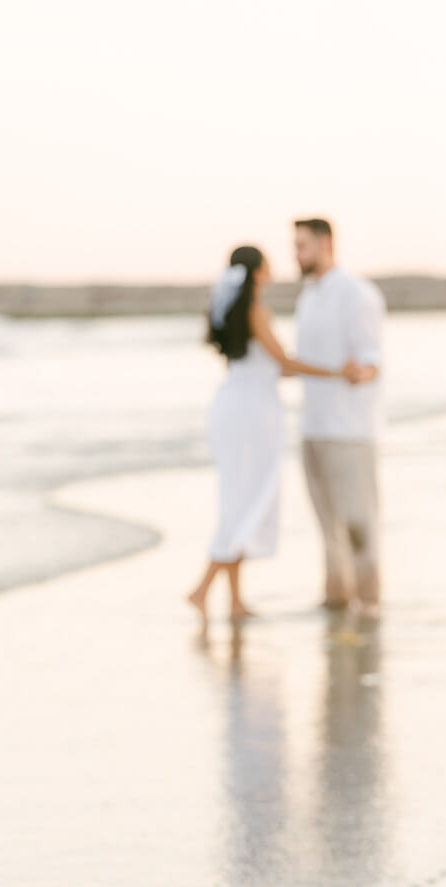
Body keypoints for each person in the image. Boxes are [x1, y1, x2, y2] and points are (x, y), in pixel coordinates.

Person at [187, 244, 360, 629]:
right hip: (251, 414)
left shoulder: (233, 311)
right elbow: (284, 364)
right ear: (258, 271)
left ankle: (233, 600)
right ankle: (201, 590)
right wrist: (338, 372)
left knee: (240, 498)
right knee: (244, 500)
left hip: (237, 408)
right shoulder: (254, 311)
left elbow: (271, 367)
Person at [294, 218, 386, 614]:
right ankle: (336, 597)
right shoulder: (307, 296)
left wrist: (361, 373)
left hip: (350, 429)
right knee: (327, 523)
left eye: (302, 246)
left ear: (325, 243)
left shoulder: (356, 293)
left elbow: (372, 359)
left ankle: (368, 602)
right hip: (312, 425)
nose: (296, 254)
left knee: (357, 523)